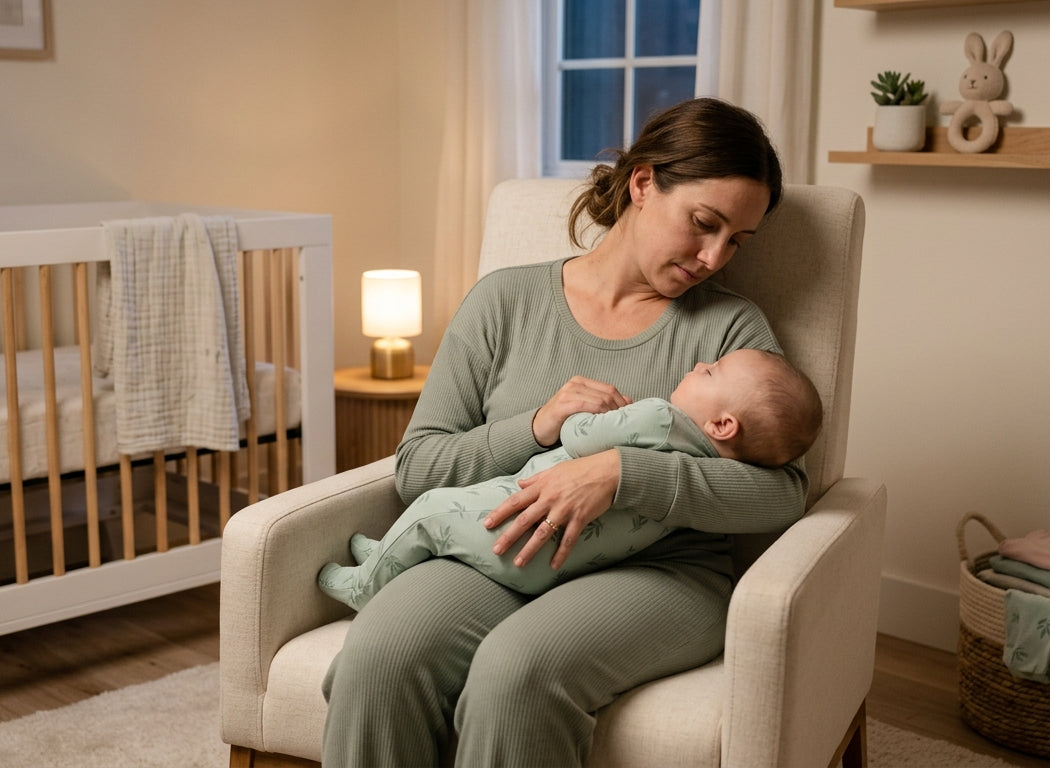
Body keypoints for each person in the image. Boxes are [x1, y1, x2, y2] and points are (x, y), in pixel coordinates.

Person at [321, 97, 802, 767]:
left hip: (660, 574)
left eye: (736, 241)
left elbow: (782, 493)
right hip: (504, 549)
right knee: (380, 656)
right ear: (642, 184)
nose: (714, 256)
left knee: (516, 674)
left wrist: (620, 474)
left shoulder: (728, 330)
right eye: (703, 223)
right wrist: (538, 425)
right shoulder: (505, 302)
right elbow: (419, 466)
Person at [316, 348, 821, 611]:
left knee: (432, 512)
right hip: (558, 565)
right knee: (444, 520)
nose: (698, 364)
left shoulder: (660, 418)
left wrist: (579, 417)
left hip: (519, 525)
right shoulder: (715, 468)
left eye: (711, 372)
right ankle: (385, 553)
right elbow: (419, 461)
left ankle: (364, 585)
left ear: (723, 424)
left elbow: (580, 437)